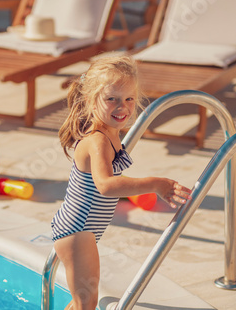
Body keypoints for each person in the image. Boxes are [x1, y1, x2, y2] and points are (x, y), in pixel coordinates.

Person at [51, 54, 192, 310]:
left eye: (129, 99)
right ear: (91, 101)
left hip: (83, 230)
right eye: (111, 99)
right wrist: (156, 183)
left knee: (81, 302)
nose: (122, 107)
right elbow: (105, 185)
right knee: (87, 303)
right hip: (77, 230)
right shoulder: (98, 141)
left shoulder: (110, 135)